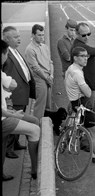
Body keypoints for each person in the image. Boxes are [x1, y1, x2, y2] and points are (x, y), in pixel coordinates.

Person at [65, 46, 95, 165]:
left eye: (86, 56)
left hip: (75, 102)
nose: (86, 58)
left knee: (89, 130)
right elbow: (88, 93)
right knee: (93, 132)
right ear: (75, 58)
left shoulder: (70, 69)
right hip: (83, 104)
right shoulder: (77, 73)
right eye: (82, 56)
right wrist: (87, 89)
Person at [2, 39, 40, 180]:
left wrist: (10, 110)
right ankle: (35, 170)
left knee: (34, 121)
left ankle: (35, 167)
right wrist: (11, 114)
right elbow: (11, 85)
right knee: (34, 129)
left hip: (7, 112)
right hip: (5, 117)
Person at [3, 26, 36, 159]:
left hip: (22, 93)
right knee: (13, 124)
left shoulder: (15, 51)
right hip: (14, 96)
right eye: (16, 37)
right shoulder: (6, 54)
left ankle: (15, 143)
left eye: (19, 36)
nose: (19, 39)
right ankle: (8, 149)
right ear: (6, 39)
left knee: (19, 121)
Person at [25, 24, 54, 120]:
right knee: (40, 106)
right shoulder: (30, 49)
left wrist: (52, 75)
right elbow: (35, 68)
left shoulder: (45, 46)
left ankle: (46, 125)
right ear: (33, 35)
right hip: (40, 79)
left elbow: (50, 62)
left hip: (48, 77)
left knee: (48, 105)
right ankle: (37, 126)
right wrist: (47, 78)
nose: (42, 37)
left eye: (43, 35)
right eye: (39, 35)